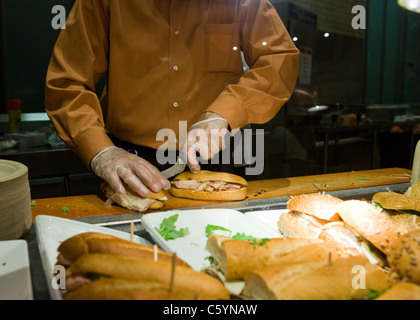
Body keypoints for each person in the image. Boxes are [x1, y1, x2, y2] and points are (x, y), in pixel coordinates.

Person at [45, 0, 300, 198]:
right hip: (127, 161)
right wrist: (102, 152)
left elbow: (279, 58)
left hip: (215, 156)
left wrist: (225, 112)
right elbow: (68, 82)